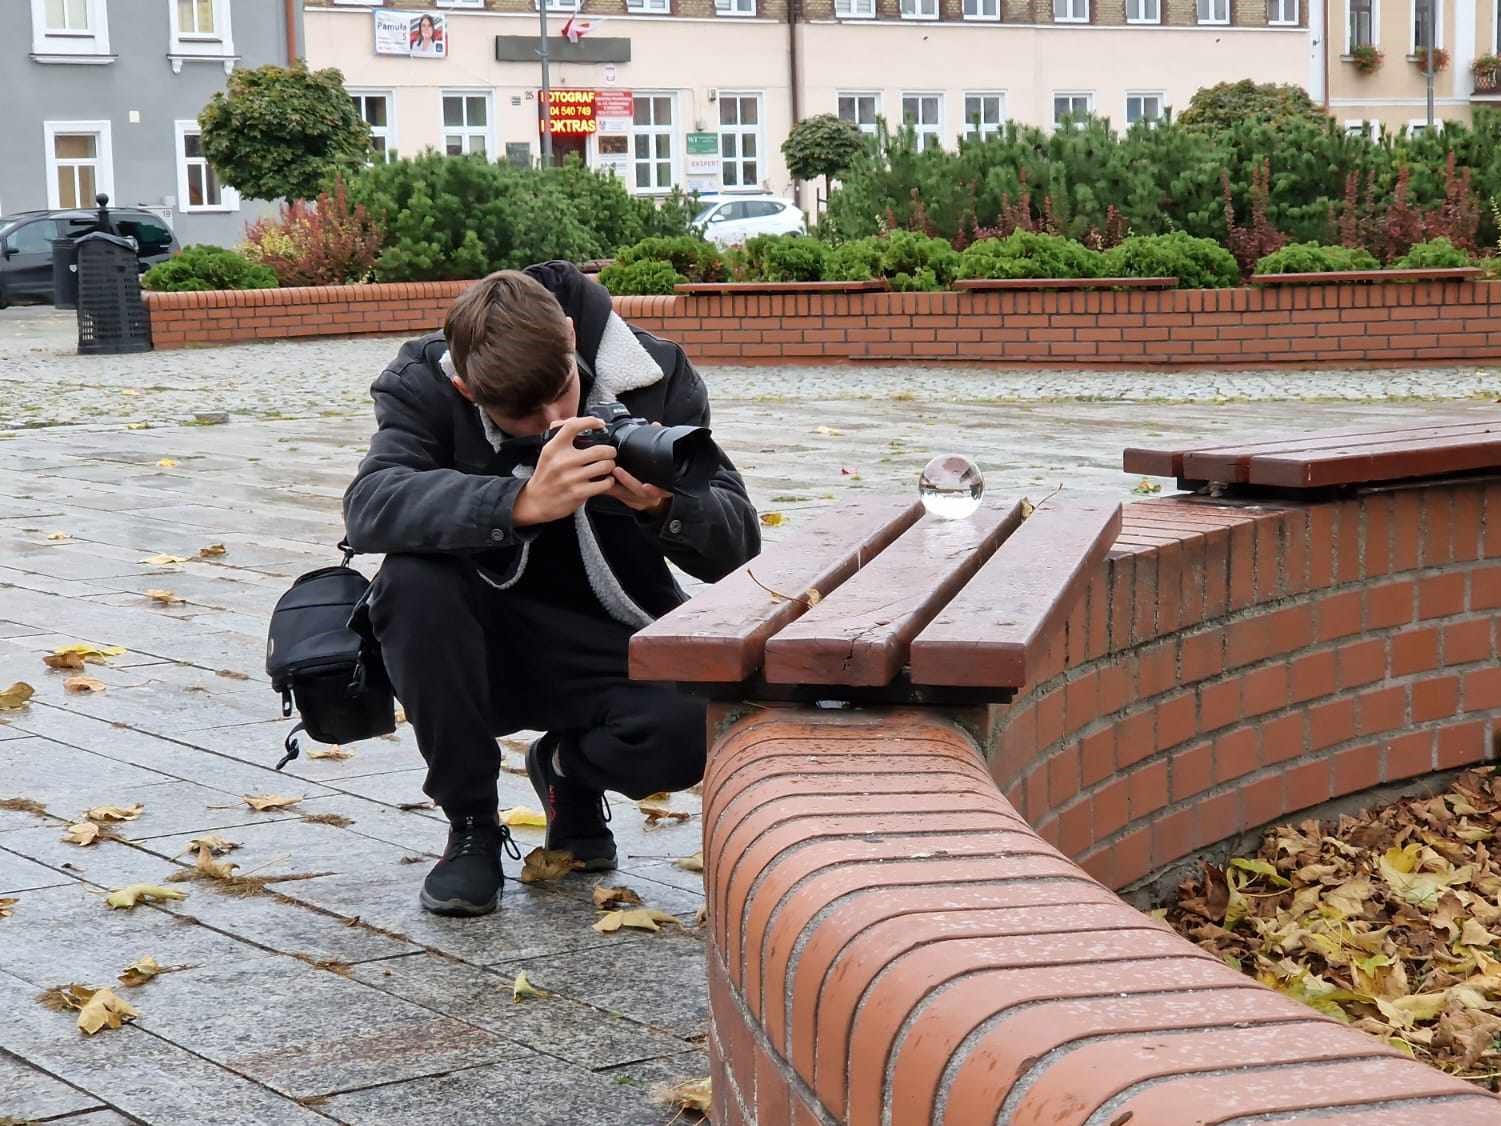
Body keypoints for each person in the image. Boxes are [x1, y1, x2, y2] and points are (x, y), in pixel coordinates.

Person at [343, 262, 759, 916]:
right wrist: (516, 500)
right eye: (519, 414)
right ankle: (472, 825)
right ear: (464, 386)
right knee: (409, 581)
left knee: (692, 726)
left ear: (569, 336)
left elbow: (738, 545)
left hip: (608, 628)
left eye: (561, 392)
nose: (549, 421)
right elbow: (369, 505)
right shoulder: (422, 380)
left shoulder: (650, 375)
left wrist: (663, 509)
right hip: (474, 638)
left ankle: (565, 769)